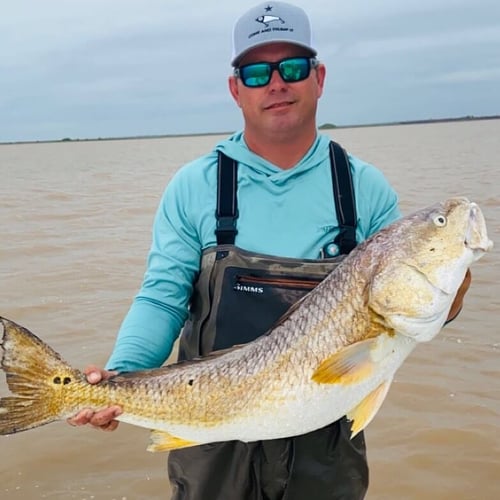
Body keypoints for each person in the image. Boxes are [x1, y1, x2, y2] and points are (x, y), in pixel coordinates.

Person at [68, 2, 471, 499]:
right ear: (236, 89)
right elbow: (163, 297)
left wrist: (457, 276)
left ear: (319, 78)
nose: (276, 83)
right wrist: (119, 375)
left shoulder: (363, 187)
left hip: (325, 436)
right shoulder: (195, 185)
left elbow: (418, 305)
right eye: (257, 72)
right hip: (208, 432)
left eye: (293, 68)